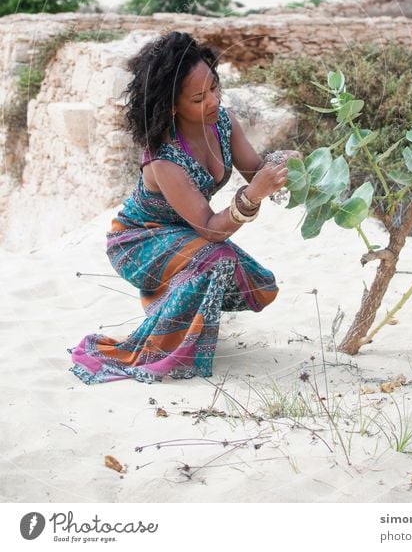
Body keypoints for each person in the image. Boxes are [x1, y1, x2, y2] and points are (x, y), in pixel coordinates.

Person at [68, 31, 298, 385]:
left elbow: (254, 170)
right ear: (172, 105)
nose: (213, 101)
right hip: (138, 241)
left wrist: (286, 164)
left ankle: (169, 303)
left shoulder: (223, 122)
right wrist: (252, 196)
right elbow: (211, 228)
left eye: (215, 88)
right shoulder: (164, 158)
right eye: (198, 98)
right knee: (216, 257)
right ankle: (169, 348)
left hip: (183, 233)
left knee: (259, 284)